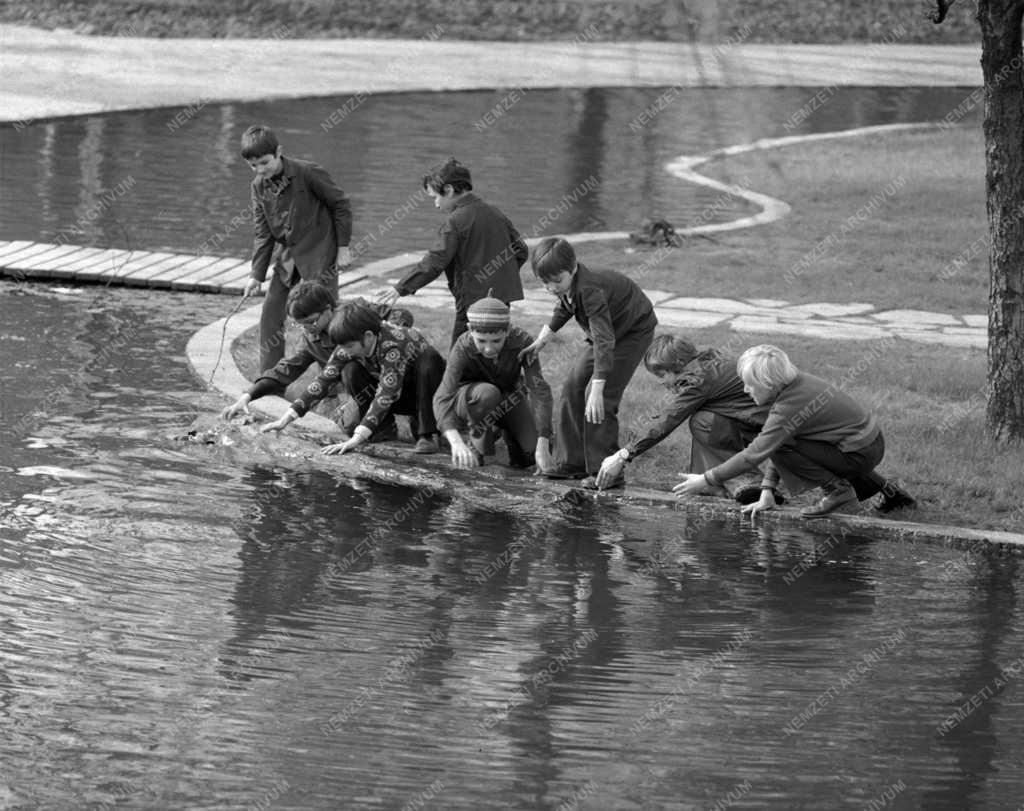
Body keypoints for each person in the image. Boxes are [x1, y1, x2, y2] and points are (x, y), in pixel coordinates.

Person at [672, 344, 917, 518]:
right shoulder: (793, 384)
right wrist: (767, 491)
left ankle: (838, 492)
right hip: (865, 444)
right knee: (783, 442)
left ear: (768, 384)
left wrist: (707, 478)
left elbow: (754, 454)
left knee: (778, 443)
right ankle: (892, 493)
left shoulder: (788, 406)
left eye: (749, 385)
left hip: (860, 451)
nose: (746, 390)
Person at [521, 236, 657, 489]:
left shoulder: (589, 289)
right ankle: (570, 462)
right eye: (545, 283)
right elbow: (565, 306)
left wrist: (597, 387)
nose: (551, 287)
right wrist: (542, 340)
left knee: (601, 400)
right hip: (606, 332)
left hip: (631, 331)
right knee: (572, 386)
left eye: (556, 281)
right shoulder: (568, 285)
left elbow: (605, 341)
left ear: (573, 268)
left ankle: (605, 471)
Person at [594, 334, 773, 503]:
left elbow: (667, 419)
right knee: (703, 420)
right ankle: (714, 483)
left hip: (770, 423)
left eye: (662, 374)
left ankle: (748, 483)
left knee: (706, 423)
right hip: (754, 418)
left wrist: (623, 455)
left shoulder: (697, 379)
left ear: (679, 364)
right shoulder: (704, 363)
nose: (660, 382)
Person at [376, 157, 528, 346]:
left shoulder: (455, 222)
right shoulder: (495, 213)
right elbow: (521, 250)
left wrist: (402, 287)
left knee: (462, 353)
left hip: (471, 301)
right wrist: (501, 276)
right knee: (494, 347)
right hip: (501, 300)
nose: (436, 204)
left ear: (448, 190)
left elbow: (436, 261)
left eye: (435, 197)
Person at [261, 301, 445, 455]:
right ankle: (382, 428)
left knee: (429, 359)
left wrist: (357, 437)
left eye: (349, 346)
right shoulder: (349, 344)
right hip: (390, 389)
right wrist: (286, 418)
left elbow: (386, 394)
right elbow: (323, 380)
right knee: (349, 370)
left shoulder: (392, 346)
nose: (345, 352)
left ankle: (427, 431)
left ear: (368, 336)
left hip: (421, 393)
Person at [241, 124, 353, 372]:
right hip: (288, 257)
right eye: (253, 166)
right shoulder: (258, 186)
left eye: (264, 162)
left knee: (323, 317)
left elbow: (341, 206)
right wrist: (255, 275)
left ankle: (334, 378)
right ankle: (270, 376)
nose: (260, 170)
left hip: (320, 252)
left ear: (279, 152)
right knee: (271, 315)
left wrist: (343, 247)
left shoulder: (308, 173)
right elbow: (263, 233)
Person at [432, 292, 555, 472]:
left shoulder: (524, 342)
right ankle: (476, 443)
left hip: (508, 398)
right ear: (469, 329)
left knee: (534, 454)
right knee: (487, 393)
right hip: (471, 399)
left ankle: (511, 438)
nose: (489, 348)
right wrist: (455, 442)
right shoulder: (462, 346)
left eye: (496, 341)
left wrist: (543, 441)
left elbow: (539, 391)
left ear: (507, 330)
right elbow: (443, 396)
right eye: (481, 341)